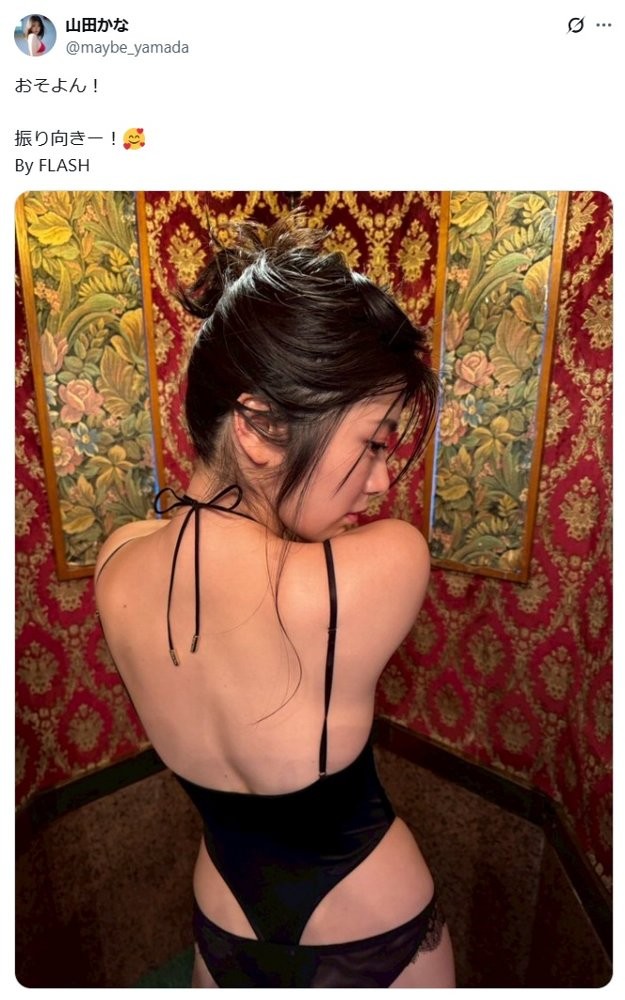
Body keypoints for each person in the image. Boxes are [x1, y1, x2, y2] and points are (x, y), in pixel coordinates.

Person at [95, 214, 456, 988]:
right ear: (258, 426)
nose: (380, 481)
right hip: (370, 915)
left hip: (222, 913)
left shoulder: (117, 561)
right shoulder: (387, 561)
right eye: (373, 442)